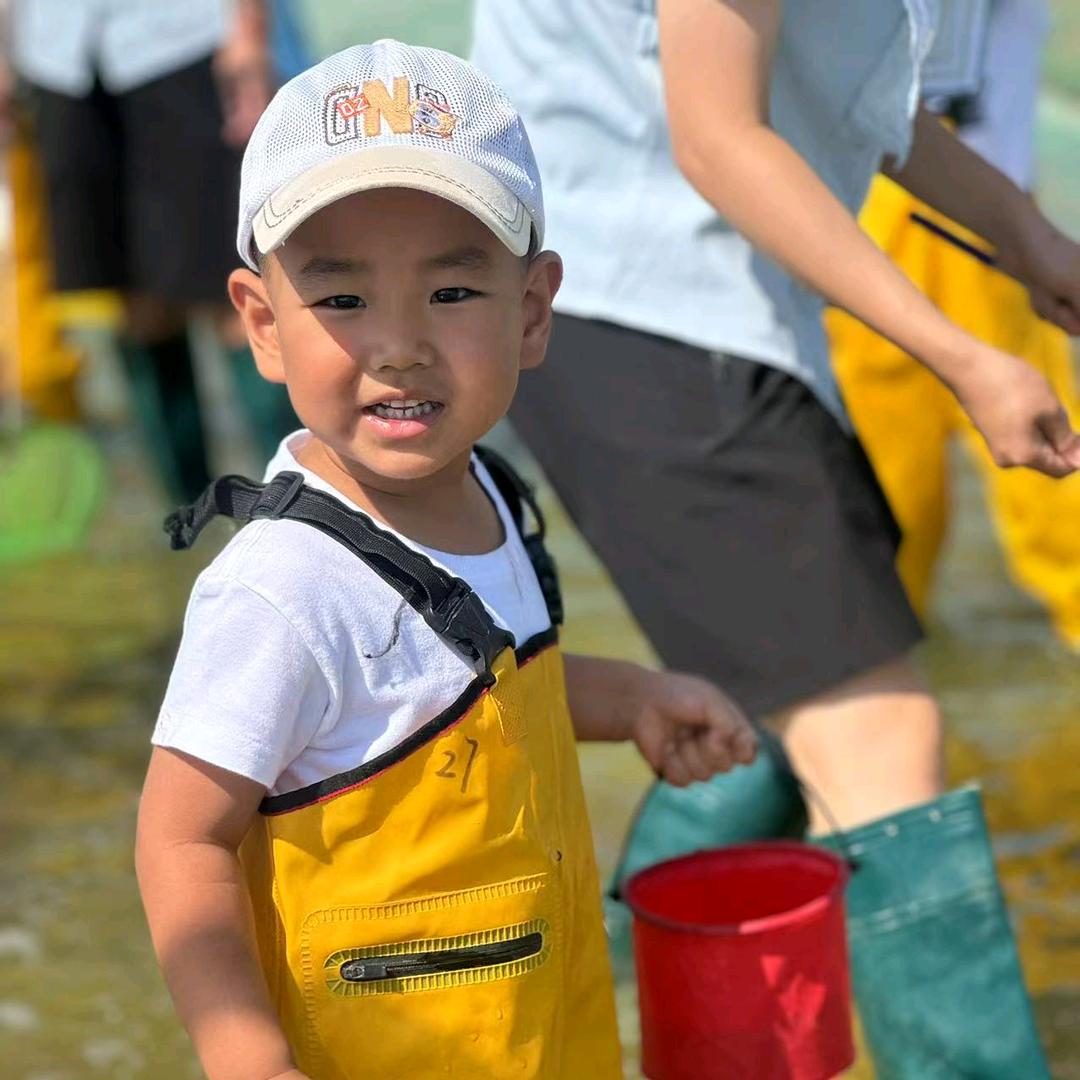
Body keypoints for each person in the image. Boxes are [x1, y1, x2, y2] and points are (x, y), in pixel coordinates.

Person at [471, 1, 1080, 1075]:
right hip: (646, 310)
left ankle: (579, 991)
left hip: (700, 309)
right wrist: (963, 355)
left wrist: (1026, 235)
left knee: (765, 711)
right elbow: (718, 138)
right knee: (876, 730)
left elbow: (838, 82)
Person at [134, 40, 756, 1080]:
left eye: (453, 292)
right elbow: (180, 838)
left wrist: (636, 699)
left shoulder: (493, 497)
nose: (400, 345)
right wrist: (244, 1055)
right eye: (342, 301)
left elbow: (477, 693)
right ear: (263, 325)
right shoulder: (281, 589)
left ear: (533, 310)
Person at [828, 0, 1080, 649]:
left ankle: (870, 664)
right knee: (892, 502)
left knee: (1046, 487)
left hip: (959, 213)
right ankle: (871, 669)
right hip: (900, 211)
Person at [5, 0, 295, 500]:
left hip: (184, 42)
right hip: (58, 61)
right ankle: (186, 517)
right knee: (135, 304)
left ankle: (298, 500)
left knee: (234, 283)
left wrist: (249, 32)